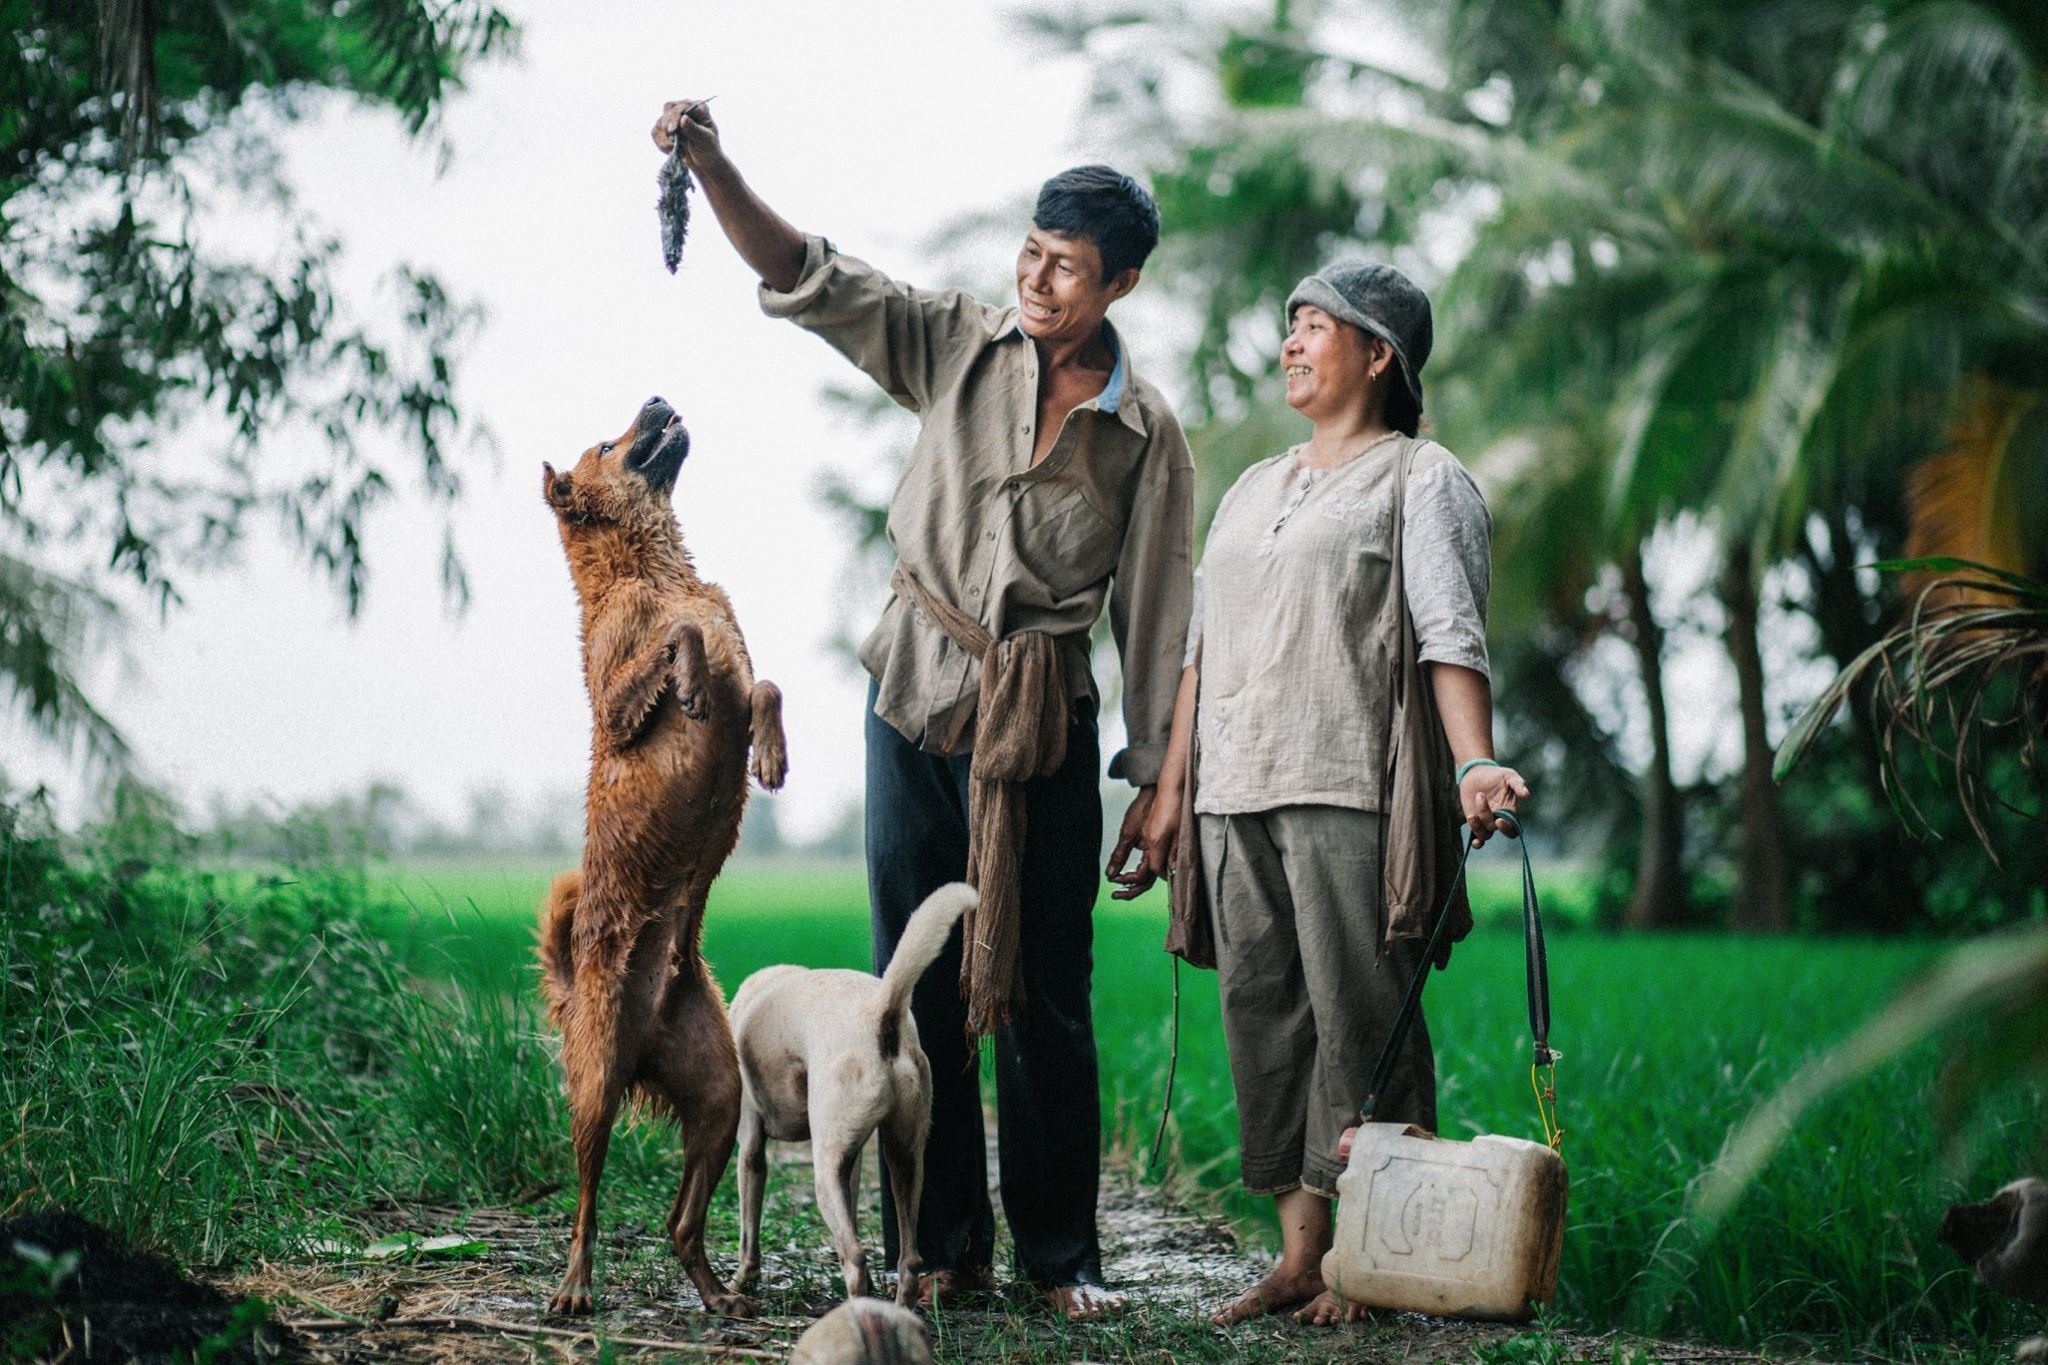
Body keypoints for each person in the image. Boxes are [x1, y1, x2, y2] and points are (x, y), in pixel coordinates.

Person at [652, 101, 1193, 1320]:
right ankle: (938, 1242)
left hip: (1042, 721)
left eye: (1066, 264)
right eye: (1031, 250)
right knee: (913, 983)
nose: (1037, 276)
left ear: (1121, 283)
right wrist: (715, 165)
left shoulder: (1145, 435)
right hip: (912, 692)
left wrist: (1156, 782)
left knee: (1047, 992)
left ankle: (1064, 1257)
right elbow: (808, 276)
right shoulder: (955, 342)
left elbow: (1156, 614)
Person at [1107, 260, 1530, 1326]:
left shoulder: (1420, 478)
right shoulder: (1252, 485)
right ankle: (1301, 1257)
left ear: (1377, 353)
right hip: (1231, 789)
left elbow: (1449, 638)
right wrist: (1167, 791)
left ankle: (1371, 1258)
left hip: (1347, 782)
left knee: (1361, 1019)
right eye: (1288, 324)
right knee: (1263, 1018)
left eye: (1314, 327)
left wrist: (1472, 761)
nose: (1291, 343)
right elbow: (1201, 654)